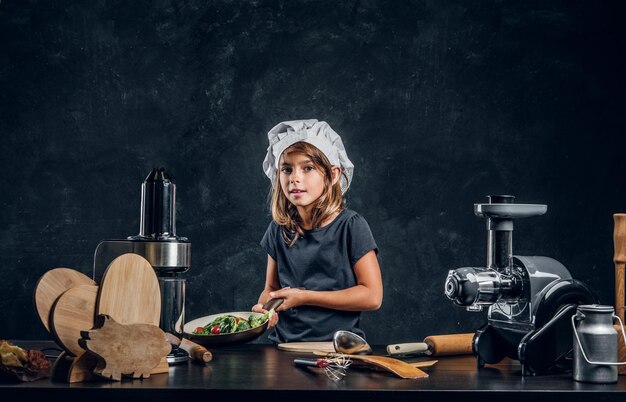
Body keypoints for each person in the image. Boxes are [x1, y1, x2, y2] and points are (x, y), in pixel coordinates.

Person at [252, 119, 383, 343]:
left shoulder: (351, 226)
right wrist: (264, 308)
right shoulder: (277, 230)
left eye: (308, 168)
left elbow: (372, 296)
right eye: (286, 169)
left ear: (333, 175)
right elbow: (271, 289)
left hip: (338, 351)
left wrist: (305, 297)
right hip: (284, 350)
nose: (294, 178)